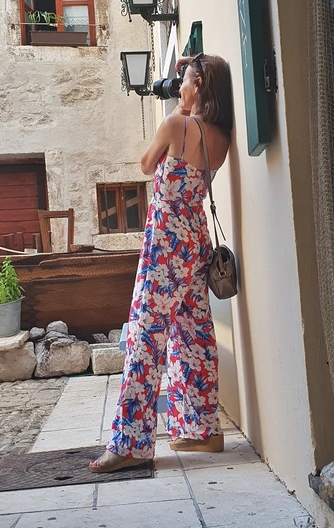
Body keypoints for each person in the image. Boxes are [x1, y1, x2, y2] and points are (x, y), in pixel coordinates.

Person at [90, 53, 234, 472]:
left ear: (199, 84)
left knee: (144, 336)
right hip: (195, 241)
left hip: (167, 241)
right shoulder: (221, 136)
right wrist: (189, 79)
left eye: (185, 80)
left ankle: (130, 443)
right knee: (193, 334)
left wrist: (179, 111)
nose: (180, 87)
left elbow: (146, 164)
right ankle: (203, 430)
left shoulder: (176, 124)